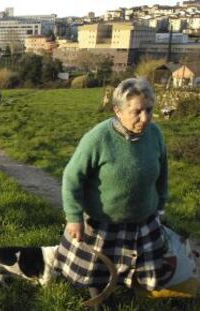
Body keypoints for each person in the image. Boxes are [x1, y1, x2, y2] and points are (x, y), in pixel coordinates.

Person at [55, 78, 173, 309]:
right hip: (103, 222)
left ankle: (128, 291)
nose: (145, 118)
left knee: (140, 265)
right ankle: (102, 301)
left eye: (149, 110)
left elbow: (163, 172)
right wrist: (73, 217)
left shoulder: (155, 134)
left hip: (143, 219)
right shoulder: (98, 138)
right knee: (98, 269)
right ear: (118, 111)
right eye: (137, 112)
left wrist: (161, 204)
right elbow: (71, 177)